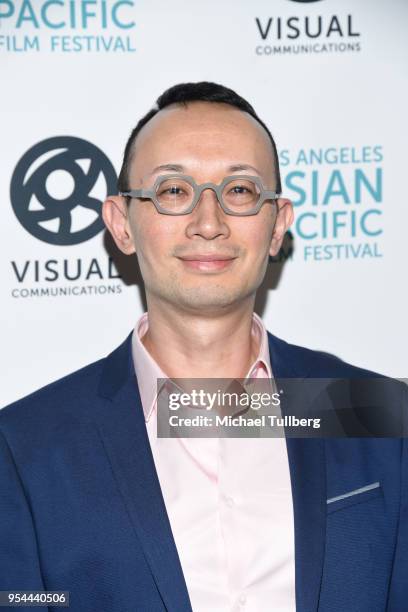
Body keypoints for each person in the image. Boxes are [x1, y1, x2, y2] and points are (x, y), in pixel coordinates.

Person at [0, 82, 406, 612]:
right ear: (122, 224)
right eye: (173, 191)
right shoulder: (26, 447)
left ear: (277, 223)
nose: (209, 223)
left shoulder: (372, 410)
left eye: (239, 190)